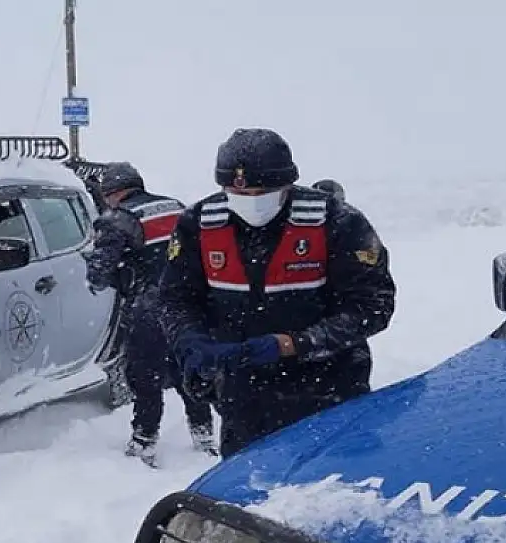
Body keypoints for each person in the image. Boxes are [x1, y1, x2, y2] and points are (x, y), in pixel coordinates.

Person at [158, 129, 396, 458]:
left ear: (286, 184)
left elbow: (372, 307)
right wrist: (190, 343)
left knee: (333, 491)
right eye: (236, 192)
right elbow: (176, 298)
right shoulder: (199, 224)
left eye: (261, 192)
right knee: (248, 494)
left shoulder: (337, 222)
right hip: (243, 395)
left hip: (330, 390)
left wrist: (290, 345)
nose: (250, 201)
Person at [83, 161, 216, 467]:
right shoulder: (176, 207)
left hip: (150, 306)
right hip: (189, 304)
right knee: (187, 369)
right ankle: (204, 434)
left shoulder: (117, 219)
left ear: (112, 193)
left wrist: (92, 263)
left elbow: (100, 272)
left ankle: (144, 440)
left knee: (145, 375)